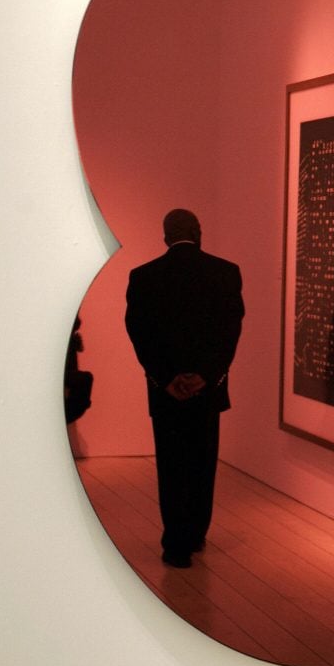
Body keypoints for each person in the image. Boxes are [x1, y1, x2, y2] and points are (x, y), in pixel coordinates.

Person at [125, 209, 244, 568]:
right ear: (198, 231)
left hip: (165, 391)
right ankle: (195, 534)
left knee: (171, 463)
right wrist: (207, 375)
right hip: (208, 389)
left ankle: (175, 544)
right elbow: (229, 331)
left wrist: (165, 378)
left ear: (165, 236)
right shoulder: (225, 272)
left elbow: (139, 333)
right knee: (202, 462)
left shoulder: (143, 276)